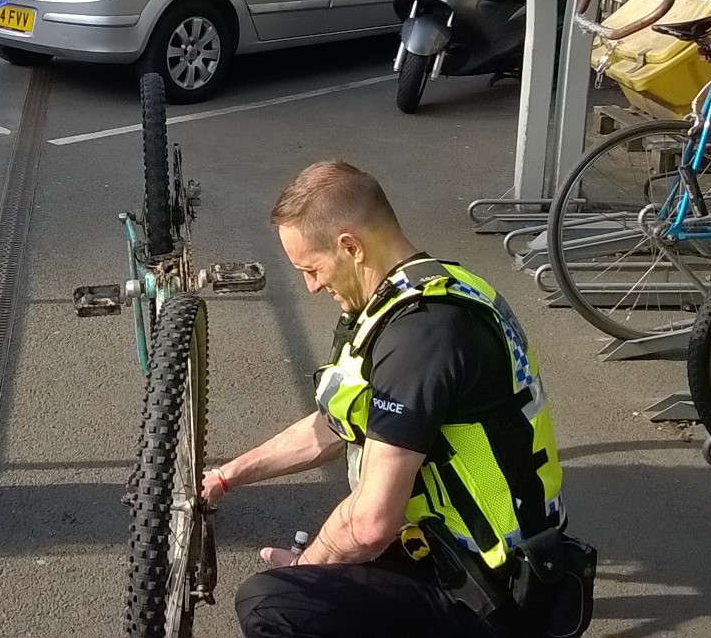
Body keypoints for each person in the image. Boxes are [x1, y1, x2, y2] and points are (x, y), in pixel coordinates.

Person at [209, 161, 573, 637]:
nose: (311, 286)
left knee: (272, 603)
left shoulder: (421, 337)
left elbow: (369, 526)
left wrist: (308, 568)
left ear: (350, 246)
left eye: (311, 269)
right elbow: (336, 423)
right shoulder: (436, 288)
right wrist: (227, 476)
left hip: (490, 593)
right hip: (505, 555)